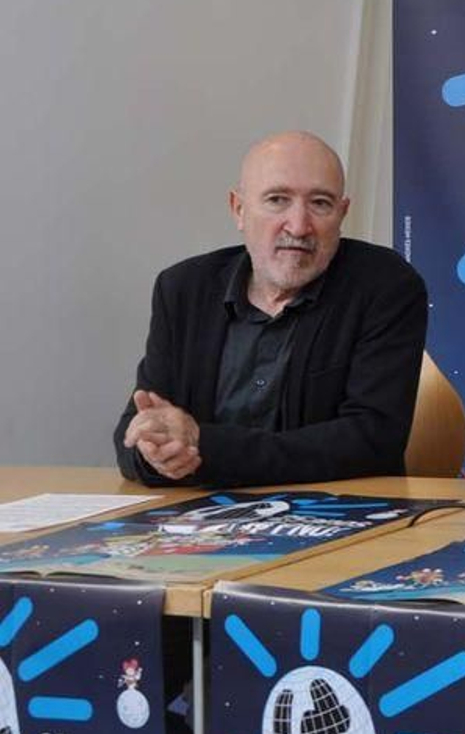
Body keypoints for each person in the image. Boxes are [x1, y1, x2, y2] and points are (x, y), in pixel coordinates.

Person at [113, 131, 427, 487]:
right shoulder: (184, 290)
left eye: (320, 203)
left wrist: (203, 445)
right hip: (197, 523)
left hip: (333, 516)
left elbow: (371, 442)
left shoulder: (384, 287)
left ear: (342, 214)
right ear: (239, 209)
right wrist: (156, 452)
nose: (298, 225)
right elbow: (137, 425)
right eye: (277, 200)